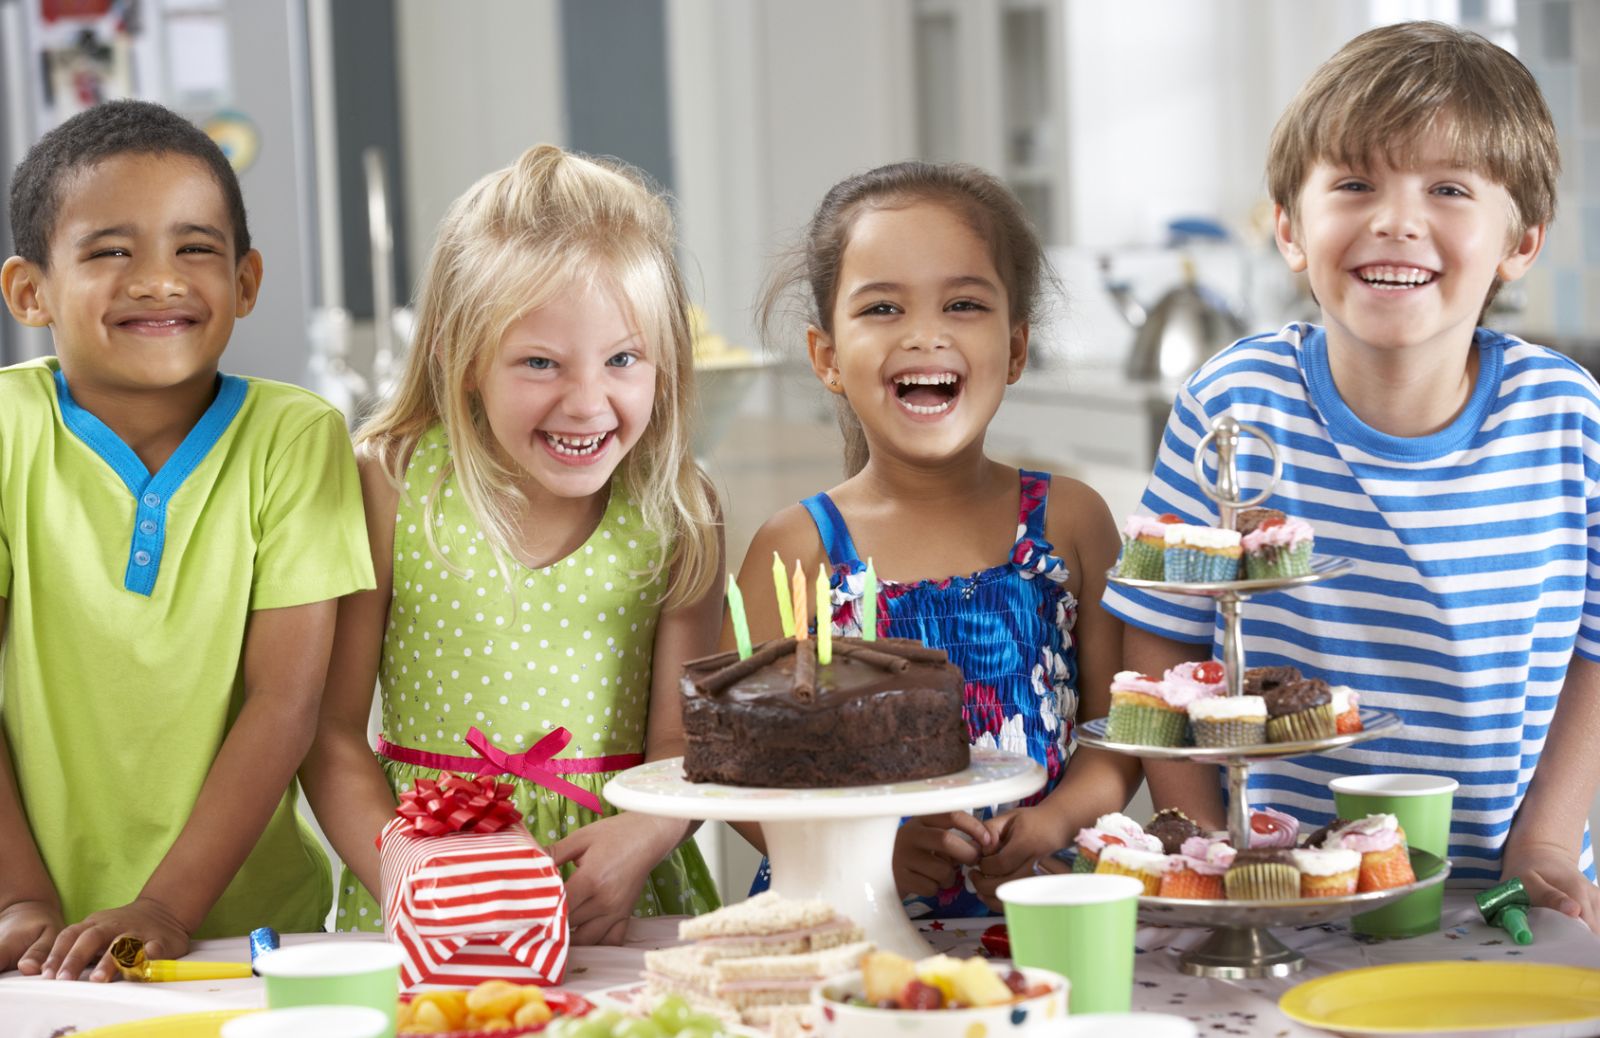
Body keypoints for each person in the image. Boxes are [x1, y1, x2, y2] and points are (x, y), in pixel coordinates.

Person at [1108, 21, 1600, 929]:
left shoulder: (1567, 417)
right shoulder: (1234, 402)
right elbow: (1161, 636)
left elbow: (1596, 655)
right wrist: (1202, 833)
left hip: (1506, 887)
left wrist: (1545, 843)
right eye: (1355, 183)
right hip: (1287, 884)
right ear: (1290, 230)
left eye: (1448, 188)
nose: (1396, 219)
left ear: (1520, 243)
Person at [300, 145, 723, 945]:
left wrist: (647, 837)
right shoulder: (390, 484)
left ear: (664, 366)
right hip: (429, 890)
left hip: (621, 900)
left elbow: (681, 743)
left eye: (623, 359)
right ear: (461, 361)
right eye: (539, 363)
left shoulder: (678, 508)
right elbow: (328, 731)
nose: (586, 402)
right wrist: (404, 870)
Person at [0, 100, 374, 980]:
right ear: (30, 290)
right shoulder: (6, 431)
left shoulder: (296, 437)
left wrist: (166, 908)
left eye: (195, 248)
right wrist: (19, 901)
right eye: (110, 251)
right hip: (27, 940)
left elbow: (285, 702)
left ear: (245, 281)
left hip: (243, 939)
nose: (159, 279)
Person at [730, 161, 1136, 916]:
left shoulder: (1073, 525)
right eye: (882, 307)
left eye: (963, 304)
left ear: (1015, 349)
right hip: (840, 927)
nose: (925, 333)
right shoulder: (796, 551)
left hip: (1040, 918)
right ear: (826, 357)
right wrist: (862, 847)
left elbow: (1117, 738)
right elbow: (740, 777)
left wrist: (1054, 821)